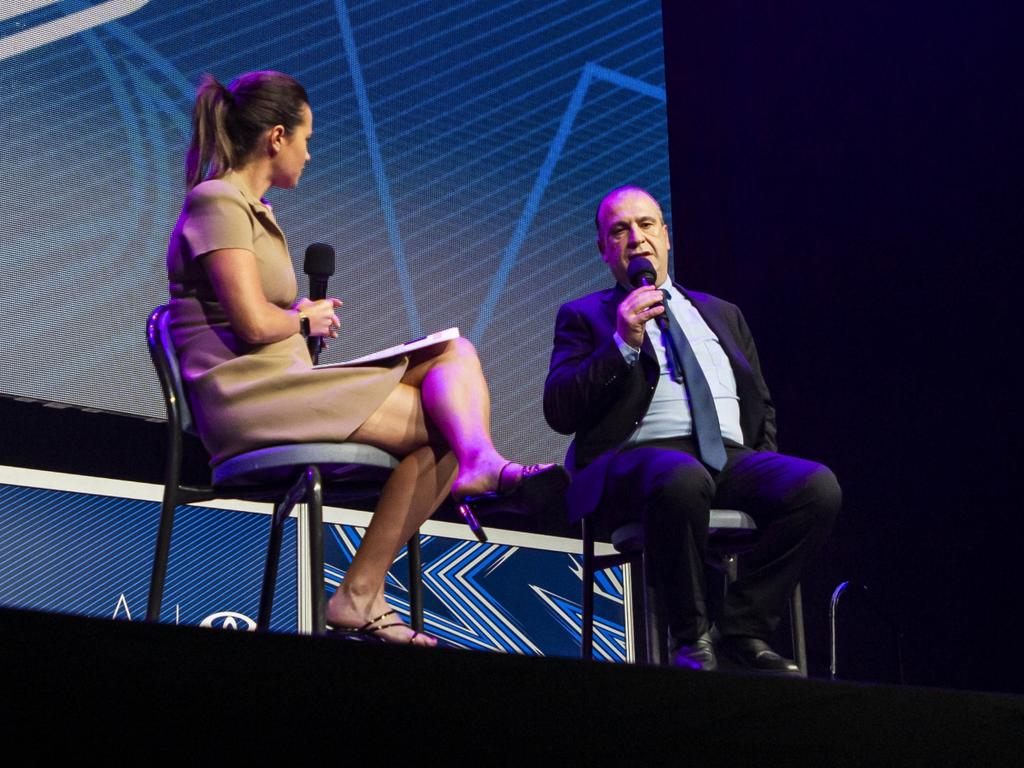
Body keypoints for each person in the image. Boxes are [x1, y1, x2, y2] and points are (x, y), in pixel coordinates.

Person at [167, 71, 565, 646]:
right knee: (445, 424)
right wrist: (304, 318)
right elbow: (253, 322)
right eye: (306, 136)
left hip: (281, 384)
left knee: (455, 353)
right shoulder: (218, 201)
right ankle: (362, 592)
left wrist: (298, 316)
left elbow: (252, 316)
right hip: (248, 401)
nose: (311, 150)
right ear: (276, 137)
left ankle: (477, 466)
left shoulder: (250, 208)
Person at [544, 185, 840, 674]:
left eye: (645, 225)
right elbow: (560, 409)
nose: (635, 238)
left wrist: (762, 468)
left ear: (666, 236)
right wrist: (621, 341)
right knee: (681, 476)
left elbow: (759, 402)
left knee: (816, 488)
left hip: (726, 457)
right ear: (604, 249)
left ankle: (743, 627)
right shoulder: (584, 316)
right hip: (636, 461)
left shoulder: (723, 313)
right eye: (619, 230)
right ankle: (690, 635)